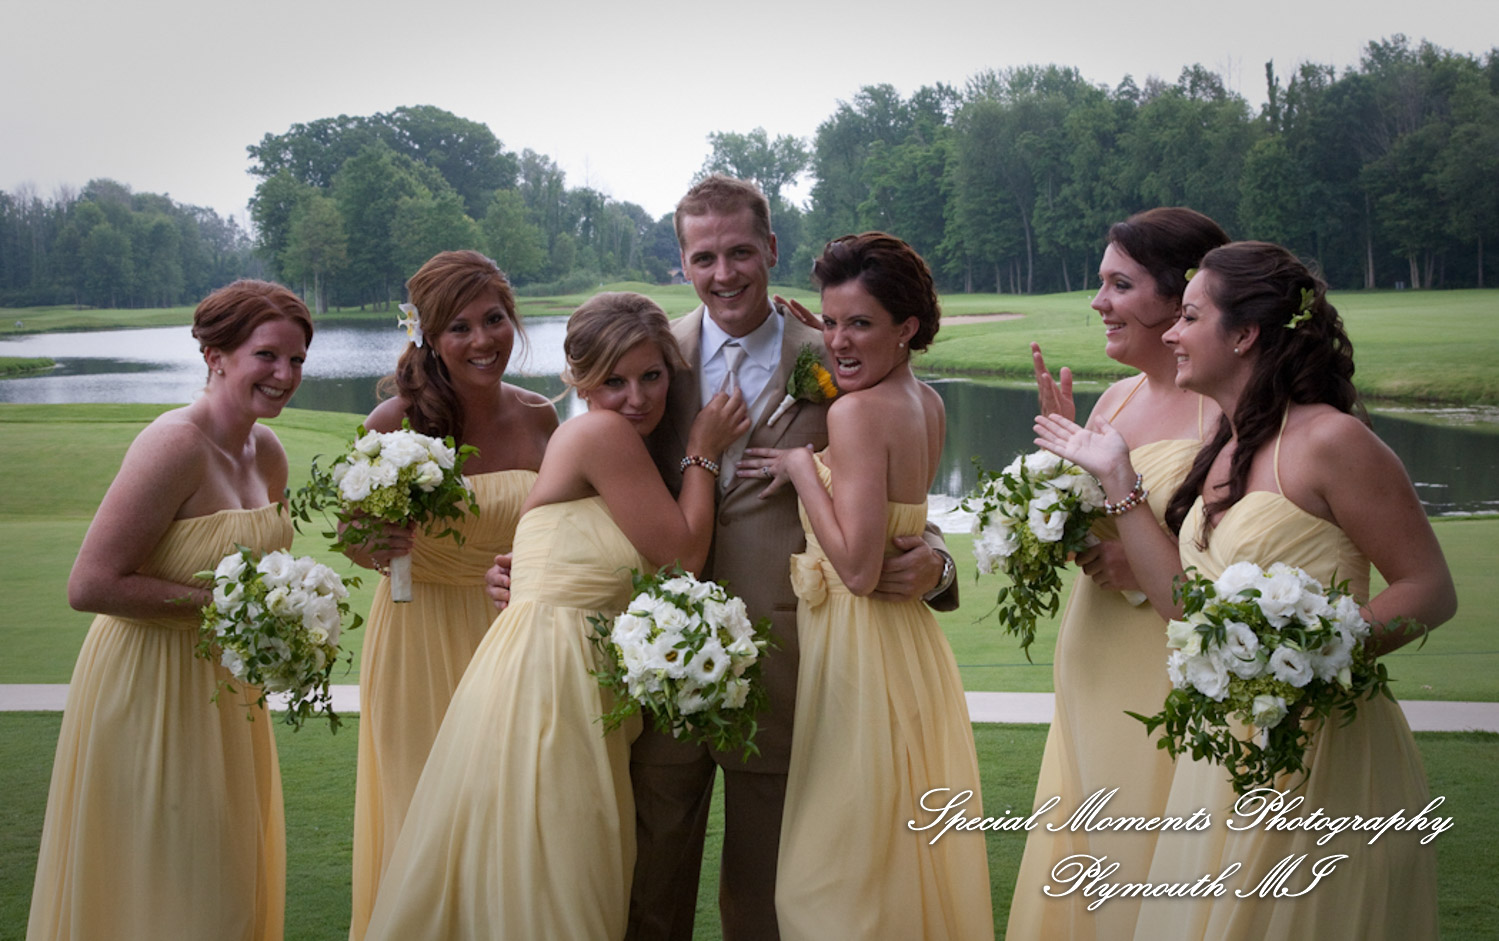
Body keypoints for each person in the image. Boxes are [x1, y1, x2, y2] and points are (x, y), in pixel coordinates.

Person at [1034, 241, 1456, 940]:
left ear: (1244, 332)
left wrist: (1315, 656)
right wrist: (1116, 480)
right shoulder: (1228, 448)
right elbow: (1180, 607)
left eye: (1189, 316)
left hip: (1325, 749)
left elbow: (1429, 590)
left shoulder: (1331, 440)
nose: (1169, 331)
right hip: (1222, 756)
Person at [625, 176, 959, 941]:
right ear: (681, 263)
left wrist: (935, 563)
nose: (724, 273)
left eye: (740, 251)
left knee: (769, 901)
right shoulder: (648, 358)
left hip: (791, 666)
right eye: (703, 256)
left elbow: (901, 488)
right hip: (655, 664)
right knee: (647, 887)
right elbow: (595, 481)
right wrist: (526, 561)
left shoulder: (838, 353)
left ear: (770, 249)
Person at [362, 293, 749, 940]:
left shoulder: (588, 438)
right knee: (560, 878)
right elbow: (682, 557)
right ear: (579, 380)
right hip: (553, 687)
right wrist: (703, 451)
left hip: (554, 673)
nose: (636, 398)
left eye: (651, 376)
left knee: (544, 869)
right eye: (611, 381)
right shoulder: (601, 433)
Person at [28, 281, 313, 941]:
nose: (284, 374)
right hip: (149, 687)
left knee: (231, 883)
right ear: (214, 354)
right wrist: (230, 606)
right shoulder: (174, 444)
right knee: (175, 893)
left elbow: (259, 570)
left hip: (227, 692)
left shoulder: (266, 452)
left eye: (296, 360)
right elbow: (90, 583)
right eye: (266, 355)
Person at [737, 232, 991, 939]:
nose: (838, 342)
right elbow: (903, 525)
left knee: (833, 874)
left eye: (860, 323)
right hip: (906, 647)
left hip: (859, 649)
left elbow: (856, 567)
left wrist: (796, 468)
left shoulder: (854, 413)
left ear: (906, 327)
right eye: (829, 320)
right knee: (890, 857)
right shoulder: (927, 402)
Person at [1007, 207, 1228, 940]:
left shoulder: (1223, 417)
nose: (1097, 301)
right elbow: (1095, 532)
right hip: (1091, 658)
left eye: (1118, 284)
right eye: (1100, 283)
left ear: (1180, 297)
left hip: (1159, 674)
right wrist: (1052, 483)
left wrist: (1133, 560)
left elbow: (1231, 561)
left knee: (1146, 855)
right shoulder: (1117, 398)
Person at [345, 251, 557, 940]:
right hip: (419, 634)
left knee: (507, 819)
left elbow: (563, 530)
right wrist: (379, 547)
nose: (482, 340)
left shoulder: (540, 419)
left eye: (493, 319)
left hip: (510, 630)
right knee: (424, 820)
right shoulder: (393, 423)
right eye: (458, 327)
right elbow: (353, 538)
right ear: (429, 338)